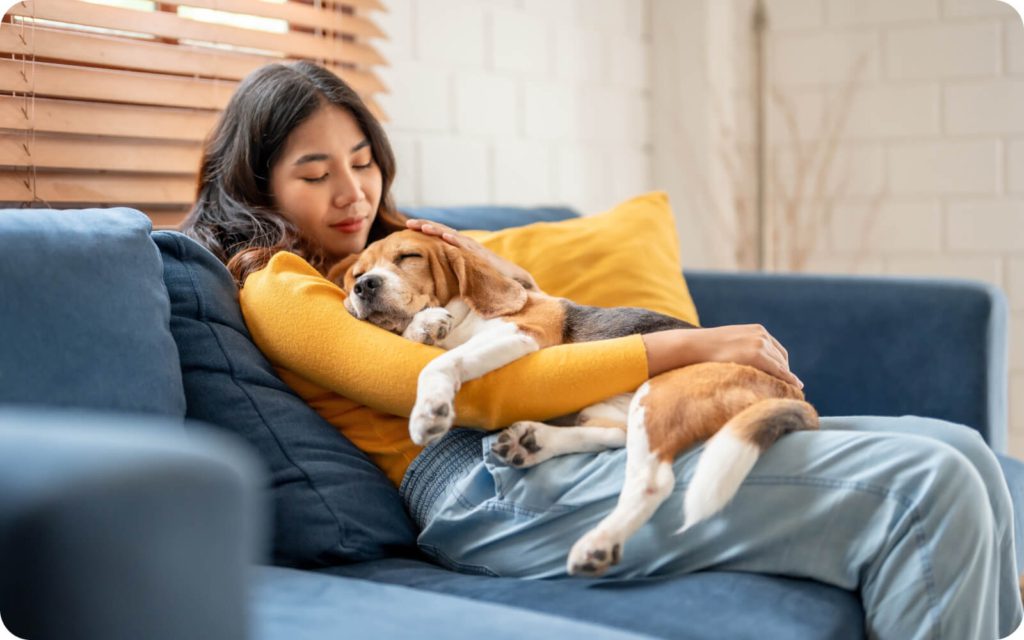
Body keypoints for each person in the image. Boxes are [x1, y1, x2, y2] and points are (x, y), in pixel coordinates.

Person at [181, 61, 1022, 640]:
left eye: (363, 162)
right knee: (927, 485)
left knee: (958, 449)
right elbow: (472, 398)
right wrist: (689, 345)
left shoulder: (397, 255)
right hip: (485, 487)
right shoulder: (283, 287)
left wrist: (468, 259)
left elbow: (531, 316)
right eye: (315, 171)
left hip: (564, 446)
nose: (353, 190)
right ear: (258, 185)